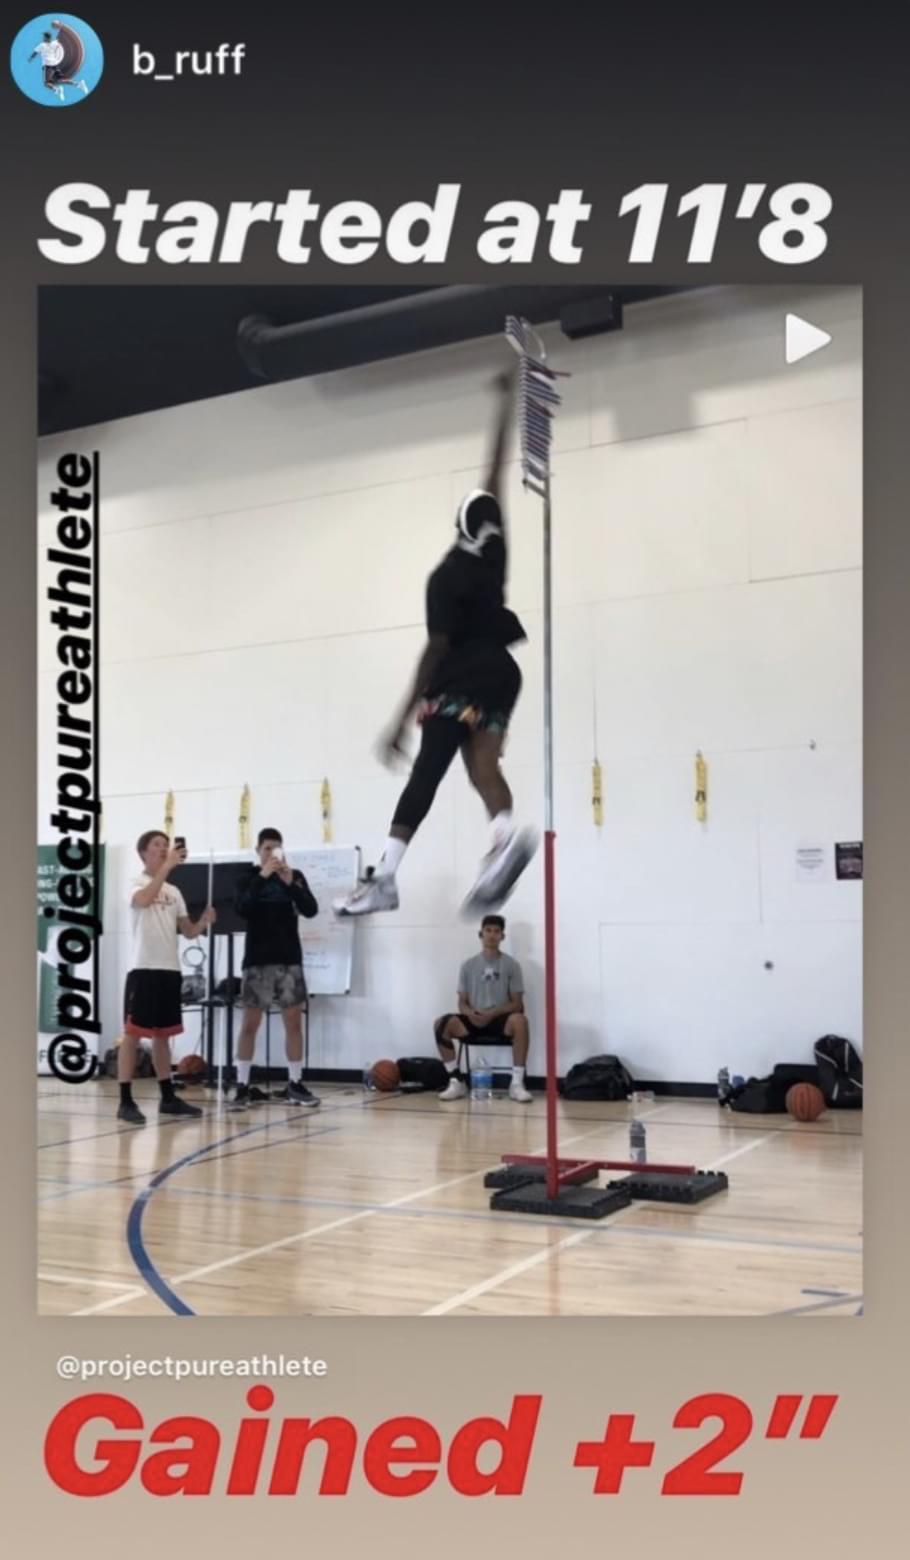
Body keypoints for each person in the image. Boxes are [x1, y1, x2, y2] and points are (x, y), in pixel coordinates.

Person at [334, 370, 537, 920]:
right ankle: (503, 838)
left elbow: (434, 653)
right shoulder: (494, 553)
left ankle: (385, 877)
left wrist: (400, 721)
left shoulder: (445, 578)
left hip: (461, 677)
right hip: (503, 673)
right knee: (483, 764)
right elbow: (493, 476)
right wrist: (505, 407)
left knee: (428, 771)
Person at [118, 831, 216, 1125]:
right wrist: (167, 867)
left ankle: (168, 1098)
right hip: (143, 968)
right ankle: (125, 1100)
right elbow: (144, 900)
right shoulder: (135, 883)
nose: (163, 849)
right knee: (133, 1034)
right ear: (143, 853)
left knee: (163, 1035)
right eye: (157, 845)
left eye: (166, 845)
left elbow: (188, 931)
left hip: (170, 969)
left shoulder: (175, 891)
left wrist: (203, 922)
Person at [230, 828, 320, 1110]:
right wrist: (263, 876)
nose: (273, 853)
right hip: (258, 960)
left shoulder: (295, 876)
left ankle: (295, 1082)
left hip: (289, 959)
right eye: (267, 848)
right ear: (258, 850)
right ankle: (242, 1085)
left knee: (293, 1024)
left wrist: (291, 884)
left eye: (277, 848)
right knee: (250, 1025)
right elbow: (242, 908)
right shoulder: (247, 878)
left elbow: (311, 909)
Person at [433, 914, 532, 1102]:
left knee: (520, 1021)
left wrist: (492, 1013)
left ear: (502, 936)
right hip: (474, 1018)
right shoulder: (468, 965)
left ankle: (516, 1084)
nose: (492, 935)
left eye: (497, 931)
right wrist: (471, 1013)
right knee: (441, 1024)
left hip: (499, 1019)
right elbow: (462, 1002)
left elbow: (517, 1003)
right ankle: (456, 1081)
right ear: (481, 934)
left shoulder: (512, 965)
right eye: (488, 930)